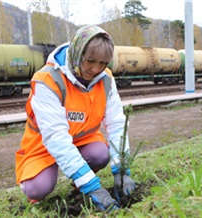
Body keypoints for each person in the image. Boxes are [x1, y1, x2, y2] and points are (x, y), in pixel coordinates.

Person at [15, 25, 135, 211]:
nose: (95, 69)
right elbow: (56, 137)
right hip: (44, 145)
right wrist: (92, 186)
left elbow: (117, 123)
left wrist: (122, 170)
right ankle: (74, 178)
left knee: (100, 154)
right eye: (90, 61)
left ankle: (78, 180)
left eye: (103, 63)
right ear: (77, 53)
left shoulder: (106, 79)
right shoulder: (47, 81)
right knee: (37, 188)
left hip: (82, 140)